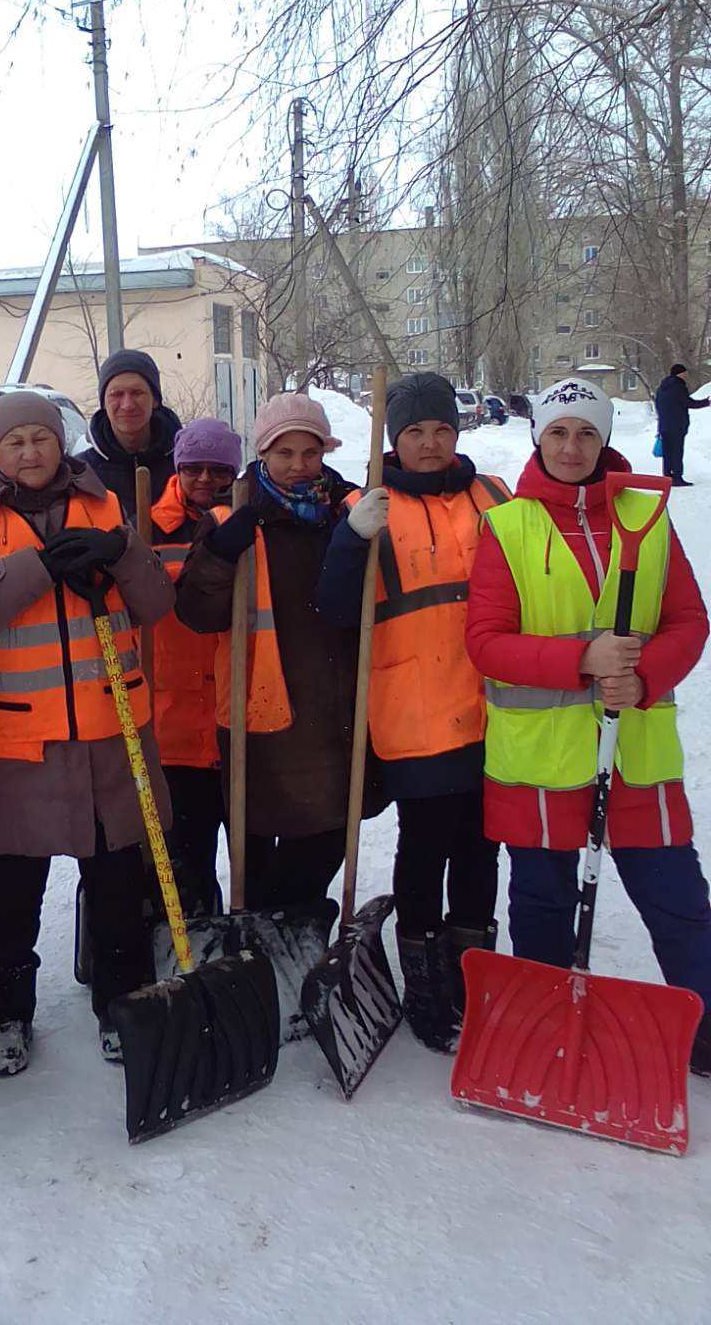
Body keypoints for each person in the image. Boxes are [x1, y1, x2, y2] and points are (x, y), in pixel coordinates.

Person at [466, 377, 711, 1074]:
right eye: (559, 432)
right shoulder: (507, 526)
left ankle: (708, 1025)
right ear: (538, 438)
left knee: (678, 900)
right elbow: (485, 640)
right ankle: (542, 1027)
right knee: (542, 903)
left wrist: (644, 675)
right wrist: (582, 659)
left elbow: (688, 620)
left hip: (635, 752)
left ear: (605, 441)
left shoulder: (647, 516)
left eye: (587, 433)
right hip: (539, 760)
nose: (572, 446)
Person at [0, 391, 174, 1076]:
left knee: (118, 885)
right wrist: (35, 567)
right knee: (12, 891)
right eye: (16, 442)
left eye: (41, 438)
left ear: (59, 443)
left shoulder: (105, 506)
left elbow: (156, 603)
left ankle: (120, 1005)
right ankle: (9, 1015)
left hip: (108, 732)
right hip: (20, 746)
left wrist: (122, 552)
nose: (31, 452)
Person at [318, 374, 509, 1051]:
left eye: (441, 430)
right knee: (427, 846)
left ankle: (471, 978)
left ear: (457, 434)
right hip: (413, 708)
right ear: (395, 441)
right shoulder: (366, 503)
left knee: (482, 848)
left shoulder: (491, 495)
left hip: (493, 706)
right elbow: (337, 611)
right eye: (414, 433)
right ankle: (429, 991)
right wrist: (348, 538)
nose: (429, 444)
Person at [176, 392, 377, 918]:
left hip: (335, 707)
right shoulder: (231, 517)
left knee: (329, 836)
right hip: (261, 712)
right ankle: (265, 951)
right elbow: (197, 612)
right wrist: (219, 554)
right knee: (258, 852)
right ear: (263, 454)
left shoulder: (348, 509)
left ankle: (297, 932)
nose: (298, 465)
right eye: (284, 453)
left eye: (309, 453)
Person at [149, 417, 241, 915]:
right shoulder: (148, 527)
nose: (205, 479)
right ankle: (194, 948)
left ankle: (247, 952)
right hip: (175, 726)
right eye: (193, 469)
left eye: (219, 470)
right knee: (187, 861)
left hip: (240, 720)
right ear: (177, 469)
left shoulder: (252, 522)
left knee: (253, 860)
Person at [78, 348, 182, 520]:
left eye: (137, 393)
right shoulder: (82, 473)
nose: (127, 405)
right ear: (103, 402)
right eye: (117, 394)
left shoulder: (184, 467)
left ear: (155, 400)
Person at [655, 362, 708, 487]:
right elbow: (688, 402)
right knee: (677, 451)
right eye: (685, 373)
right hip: (677, 425)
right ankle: (677, 477)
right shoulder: (678, 386)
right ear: (681, 373)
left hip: (664, 425)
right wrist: (706, 403)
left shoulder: (662, 387)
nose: (686, 375)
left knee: (667, 452)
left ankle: (667, 476)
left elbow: (658, 405)